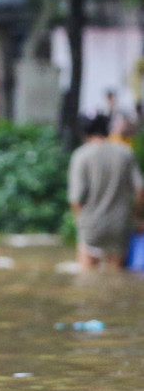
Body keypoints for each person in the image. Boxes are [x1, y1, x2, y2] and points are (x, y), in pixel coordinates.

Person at [68, 113, 144, 272]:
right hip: (120, 224)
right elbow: (140, 189)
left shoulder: (81, 155)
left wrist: (80, 222)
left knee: (86, 279)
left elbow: (75, 198)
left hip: (91, 225)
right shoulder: (125, 153)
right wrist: (138, 218)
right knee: (117, 276)